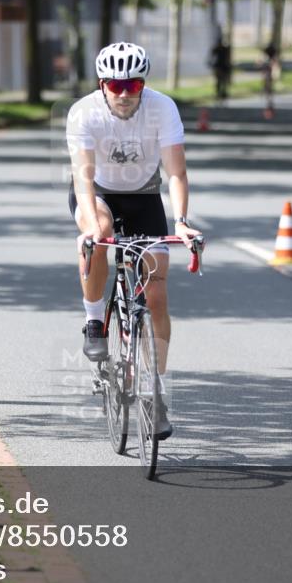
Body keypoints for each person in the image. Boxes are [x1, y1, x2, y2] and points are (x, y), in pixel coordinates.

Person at [66, 42, 202, 439]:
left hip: (144, 195)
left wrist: (181, 222)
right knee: (100, 232)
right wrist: (92, 228)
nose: (125, 93)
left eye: (134, 85)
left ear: (144, 84)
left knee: (156, 293)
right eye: (116, 85)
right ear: (102, 84)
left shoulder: (162, 108)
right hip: (98, 193)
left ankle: (156, 392)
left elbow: (176, 172)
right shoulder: (84, 112)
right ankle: (94, 321)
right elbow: (83, 178)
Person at [209, 34, 232, 100]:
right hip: (220, 66)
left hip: (223, 66)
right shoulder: (217, 49)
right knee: (220, 80)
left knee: (223, 80)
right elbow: (211, 57)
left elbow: (227, 58)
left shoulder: (224, 49)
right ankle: (220, 92)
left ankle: (223, 92)